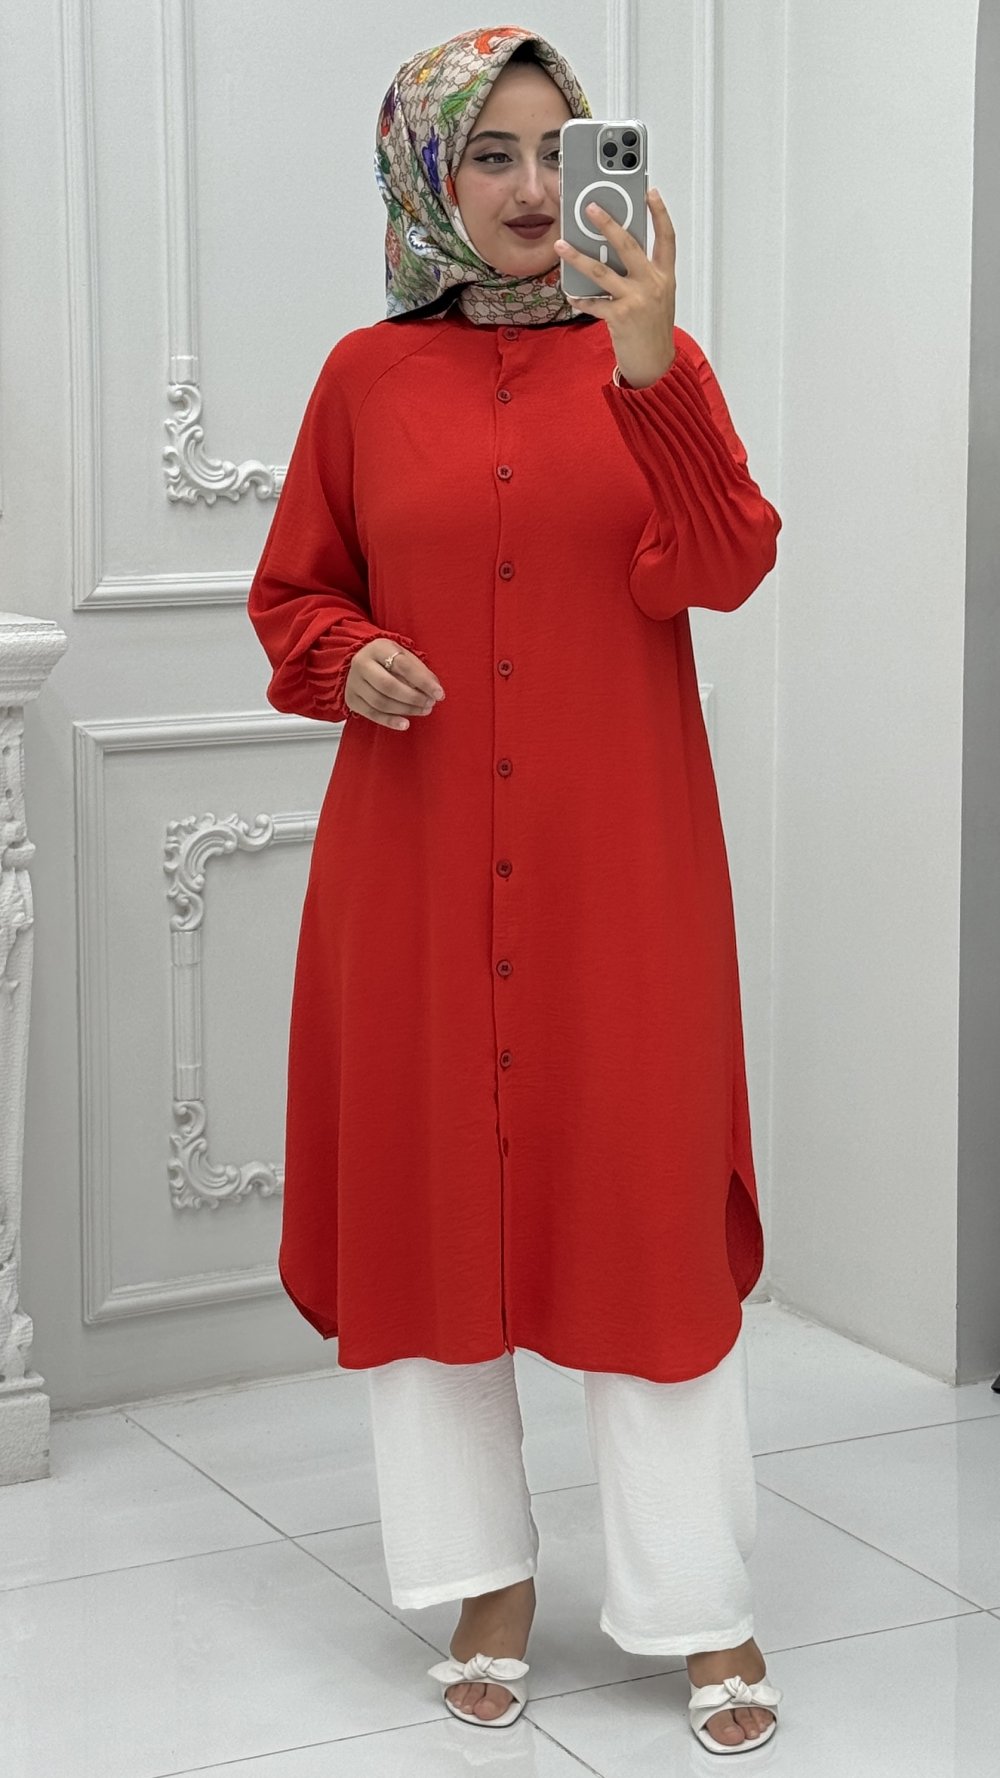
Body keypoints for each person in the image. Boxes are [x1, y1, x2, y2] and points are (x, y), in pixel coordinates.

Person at [247, 23, 783, 1754]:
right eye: (492, 154)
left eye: (562, 150)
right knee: (427, 1216)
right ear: (430, 176)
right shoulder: (361, 378)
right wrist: (349, 653)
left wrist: (652, 365)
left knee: (638, 1213)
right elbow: (292, 595)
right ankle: (481, 1582)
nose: (537, 188)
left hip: (619, 872)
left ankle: (696, 1599)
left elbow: (726, 562)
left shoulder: (655, 358)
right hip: (409, 873)